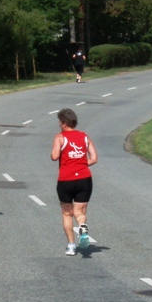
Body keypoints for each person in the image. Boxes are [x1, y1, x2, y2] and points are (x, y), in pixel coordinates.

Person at [51, 108, 98, 256]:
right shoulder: (84, 137)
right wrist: (81, 164)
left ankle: (71, 245)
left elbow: (54, 156)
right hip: (84, 178)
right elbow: (94, 158)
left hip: (66, 179)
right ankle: (83, 229)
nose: (59, 124)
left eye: (60, 121)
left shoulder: (60, 137)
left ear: (64, 123)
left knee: (67, 213)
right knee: (80, 211)